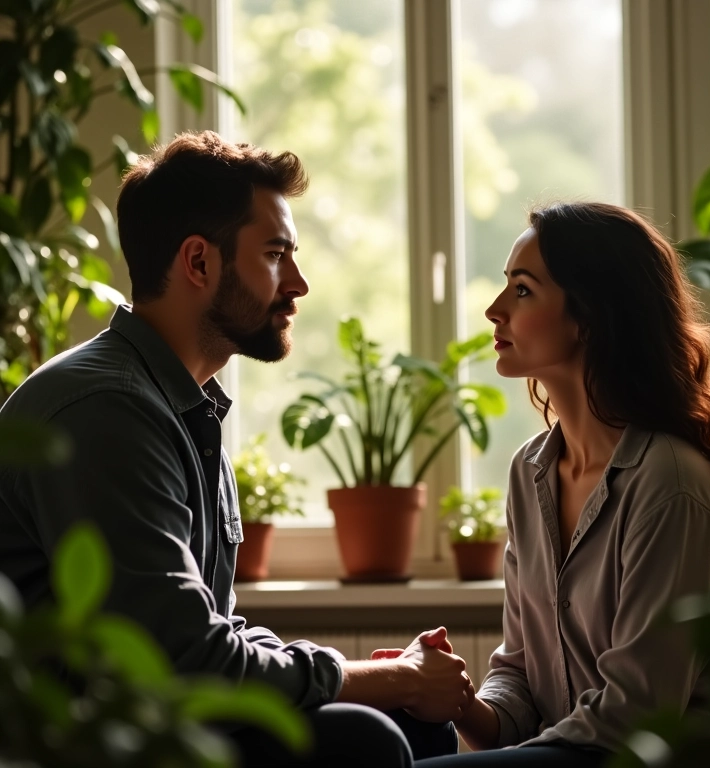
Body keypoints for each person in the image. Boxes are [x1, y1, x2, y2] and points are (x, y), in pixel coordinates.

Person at [0, 130, 471, 767]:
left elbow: (208, 631)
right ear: (199, 263)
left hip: (163, 723)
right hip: (91, 745)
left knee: (412, 729)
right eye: (276, 254)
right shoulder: (105, 409)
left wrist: (380, 682)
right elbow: (184, 660)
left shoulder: (181, 403)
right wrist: (394, 677)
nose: (299, 284)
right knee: (368, 739)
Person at [415, 202, 710, 767]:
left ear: (589, 317)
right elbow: (518, 679)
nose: (493, 309)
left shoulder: (670, 485)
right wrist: (454, 701)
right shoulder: (530, 472)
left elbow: (633, 720)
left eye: (523, 290)